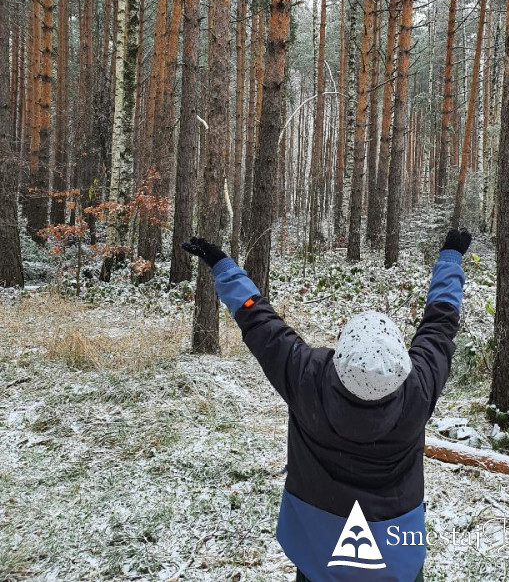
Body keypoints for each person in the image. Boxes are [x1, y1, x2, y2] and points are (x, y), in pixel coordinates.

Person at [182, 227, 471, 582]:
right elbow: (440, 322)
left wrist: (223, 266)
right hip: (395, 549)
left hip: (318, 546)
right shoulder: (418, 390)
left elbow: (257, 318)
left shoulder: (307, 378)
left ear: (341, 352)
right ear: (402, 363)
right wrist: (450, 259)